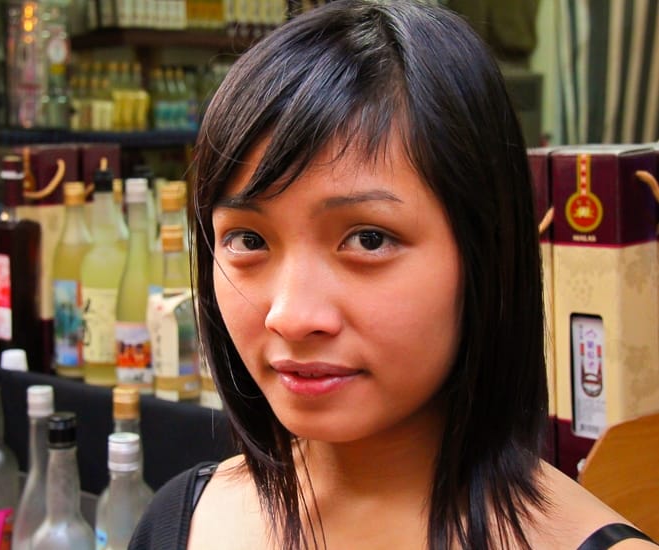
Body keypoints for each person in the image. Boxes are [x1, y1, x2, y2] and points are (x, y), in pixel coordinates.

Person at [130, 1, 658, 549]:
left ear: (486, 252)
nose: (290, 315)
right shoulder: (182, 521)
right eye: (249, 240)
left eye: (369, 239)